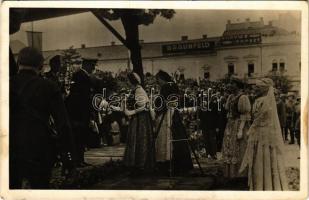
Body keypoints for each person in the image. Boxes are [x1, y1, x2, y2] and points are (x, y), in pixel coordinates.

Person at [10, 47, 75, 189]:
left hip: (10, 148)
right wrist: (68, 158)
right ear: (41, 65)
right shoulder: (48, 86)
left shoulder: (6, 85)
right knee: (40, 189)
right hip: (40, 149)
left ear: (18, 62)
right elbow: (63, 124)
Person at [239, 78, 288, 190]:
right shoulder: (259, 100)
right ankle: (259, 183)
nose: (256, 89)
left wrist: (251, 128)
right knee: (258, 156)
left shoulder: (266, 101)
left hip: (264, 132)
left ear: (264, 89)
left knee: (264, 154)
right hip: (259, 131)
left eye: (259, 87)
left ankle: (266, 184)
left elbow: (261, 118)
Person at [154, 70, 193, 175]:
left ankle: (168, 164)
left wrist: (156, 107)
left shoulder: (166, 87)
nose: (158, 83)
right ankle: (181, 165)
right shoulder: (173, 85)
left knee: (166, 138)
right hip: (173, 113)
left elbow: (161, 102)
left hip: (167, 115)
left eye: (158, 80)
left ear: (162, 79)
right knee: (177, 136)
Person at [66, 58, 98, 167]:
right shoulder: (79, 76)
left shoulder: (84, 76)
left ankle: (80, 160)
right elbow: (76, 96)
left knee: (82, 137)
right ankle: (77, 161)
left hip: (83, 112)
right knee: (78, 137)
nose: (93, 68)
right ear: (85, 65)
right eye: (92, 65)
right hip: (78, 113)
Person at [122, 72, 156, 175]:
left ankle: (140, 165)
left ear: (132, 81)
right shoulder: (136, 90)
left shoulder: (139, 90)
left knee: (139, 139)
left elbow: (144, 106)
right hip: (138, 119)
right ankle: (138, 165)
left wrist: (131, 112)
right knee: (137, 140)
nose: (127, 82)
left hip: (141, 119)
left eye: (128, 80)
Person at [221, 78, 251, 180]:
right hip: (230, 124)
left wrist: (240, 130)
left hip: (238, 124)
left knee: (238, 148)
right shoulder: (231, 96)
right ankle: (231, 174)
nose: (230, 86)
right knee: (229, 147)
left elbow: (245, 115)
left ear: (237, 86)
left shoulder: (243, 97)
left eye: (232, 84)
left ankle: (240, 175)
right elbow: (227, 110)